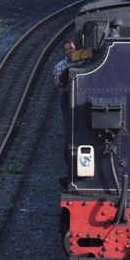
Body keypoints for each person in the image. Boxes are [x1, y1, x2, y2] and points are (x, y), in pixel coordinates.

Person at [54, 40, 78, 185]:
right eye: (67, 49)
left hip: (82, 96)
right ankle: (70, 170)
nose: (70, 51)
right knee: (69, 132)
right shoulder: (60, 66)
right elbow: (58, 83)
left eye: (71, 48)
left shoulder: (84, 59)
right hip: (68, 97)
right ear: (64, 52)